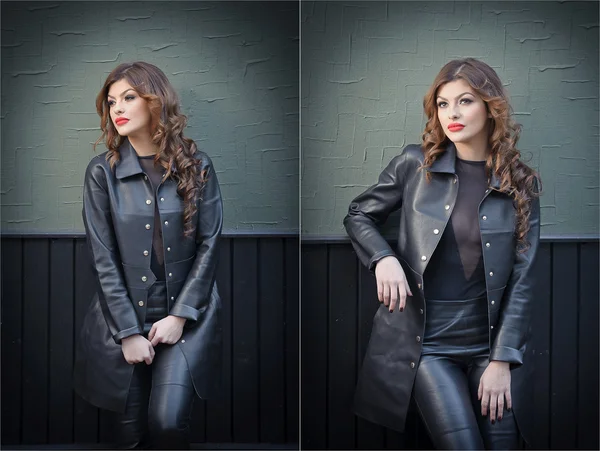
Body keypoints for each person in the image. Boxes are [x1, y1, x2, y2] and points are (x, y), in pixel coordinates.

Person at [344, 58, 541, 450]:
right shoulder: (415, 164)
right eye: (443, 103)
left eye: (465, 101)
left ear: (490, 106)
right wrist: (382, 258)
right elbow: (358, 214)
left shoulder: (521, 182)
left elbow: (524, 276)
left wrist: (502, 361)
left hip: (490, 345)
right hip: (427, 345)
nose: (452, 113)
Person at [73, 61, 223, 449]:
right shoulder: (100, 174)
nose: (116, 109)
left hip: (184, 319)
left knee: (168, 424)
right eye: (110, 102)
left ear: (155, 102)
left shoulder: (198, 166)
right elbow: (102, 259)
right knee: (128, 436)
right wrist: (127, 334)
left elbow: (210, 244)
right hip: (121, 321)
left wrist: (179, 316)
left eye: (128, 97)